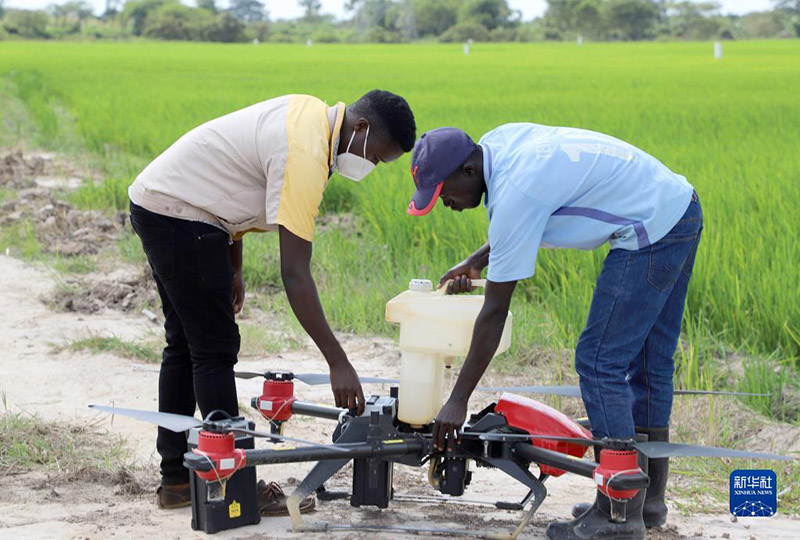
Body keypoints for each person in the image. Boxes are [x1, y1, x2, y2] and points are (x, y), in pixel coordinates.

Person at [407, 124, 702, 540]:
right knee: (650, 363)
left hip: (652, 232)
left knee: (600, 361)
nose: (446, 204)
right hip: (679, 209)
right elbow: (529, 213)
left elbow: (493, 313)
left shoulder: (515, 191)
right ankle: (643, 502)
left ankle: (618, 515)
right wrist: (478, 260)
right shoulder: (498, 145)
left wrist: (457, 402)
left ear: (468, 171)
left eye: (444, 194)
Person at [128, 90, 416, 513]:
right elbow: (295, 274)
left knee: (186, 345)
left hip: (166, 204)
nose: (370, 166)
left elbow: (234, 179)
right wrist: (338, 361)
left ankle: (175, 481)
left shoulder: (310, 116)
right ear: (361, 128)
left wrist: (234, 265)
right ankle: (235, 486)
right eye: (376, 156)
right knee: (213, 349)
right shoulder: (307, 150)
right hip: (181, 216)